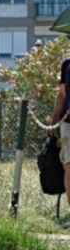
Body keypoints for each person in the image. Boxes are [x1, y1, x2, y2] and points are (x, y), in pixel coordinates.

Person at [50, 57, 70, 224]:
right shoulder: (67, 65)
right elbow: (62, 94)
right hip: (68, 122)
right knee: (69, 165)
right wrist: (53, 122)